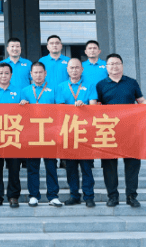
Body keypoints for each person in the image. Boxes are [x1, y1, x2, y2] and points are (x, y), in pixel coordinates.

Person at [90, 53, 146, 208]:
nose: (114, 66)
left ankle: (131, 196)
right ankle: (112, 196)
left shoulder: (131, 83)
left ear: (122, 65)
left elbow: (141, 101)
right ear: (106, 67)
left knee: (133, 164)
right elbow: (94, 107)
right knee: (109, 165)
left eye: (117, 63)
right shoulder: (101, 85)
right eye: (111, 64)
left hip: (130, 130)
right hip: (108, 130)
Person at [55, 58, 98, 207]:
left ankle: (89, 196)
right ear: (67, 70)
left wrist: (84, 106)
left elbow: (93, 108)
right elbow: (60, 109)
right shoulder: (61, 87)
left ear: (82, 69)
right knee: (71, 168)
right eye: (71, 68)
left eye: (77, 67)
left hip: (85, 132)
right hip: (68, 132)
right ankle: (74, 195)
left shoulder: (90, 86)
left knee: (86, 167)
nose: (74, 70)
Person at [20, 62, 60, 207]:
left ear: (45, 73)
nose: (38, 75)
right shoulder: (25, 91)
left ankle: (53, 196)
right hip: (32, 133)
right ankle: (33, 195)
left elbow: (60, 109)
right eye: (35, 72)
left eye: (40, 72)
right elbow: (20, 115)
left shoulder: (54, 89)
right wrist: (22, 106)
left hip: (49, 133)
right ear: (31, 74)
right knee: (32, 166)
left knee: (51, 165)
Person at [0, 62, 22, 208]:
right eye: (0, 73)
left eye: (6, 73)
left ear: (11, 75)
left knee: (14, 168)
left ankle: (13, 196)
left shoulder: (19, 92)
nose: (3, 76)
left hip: (13, 135)